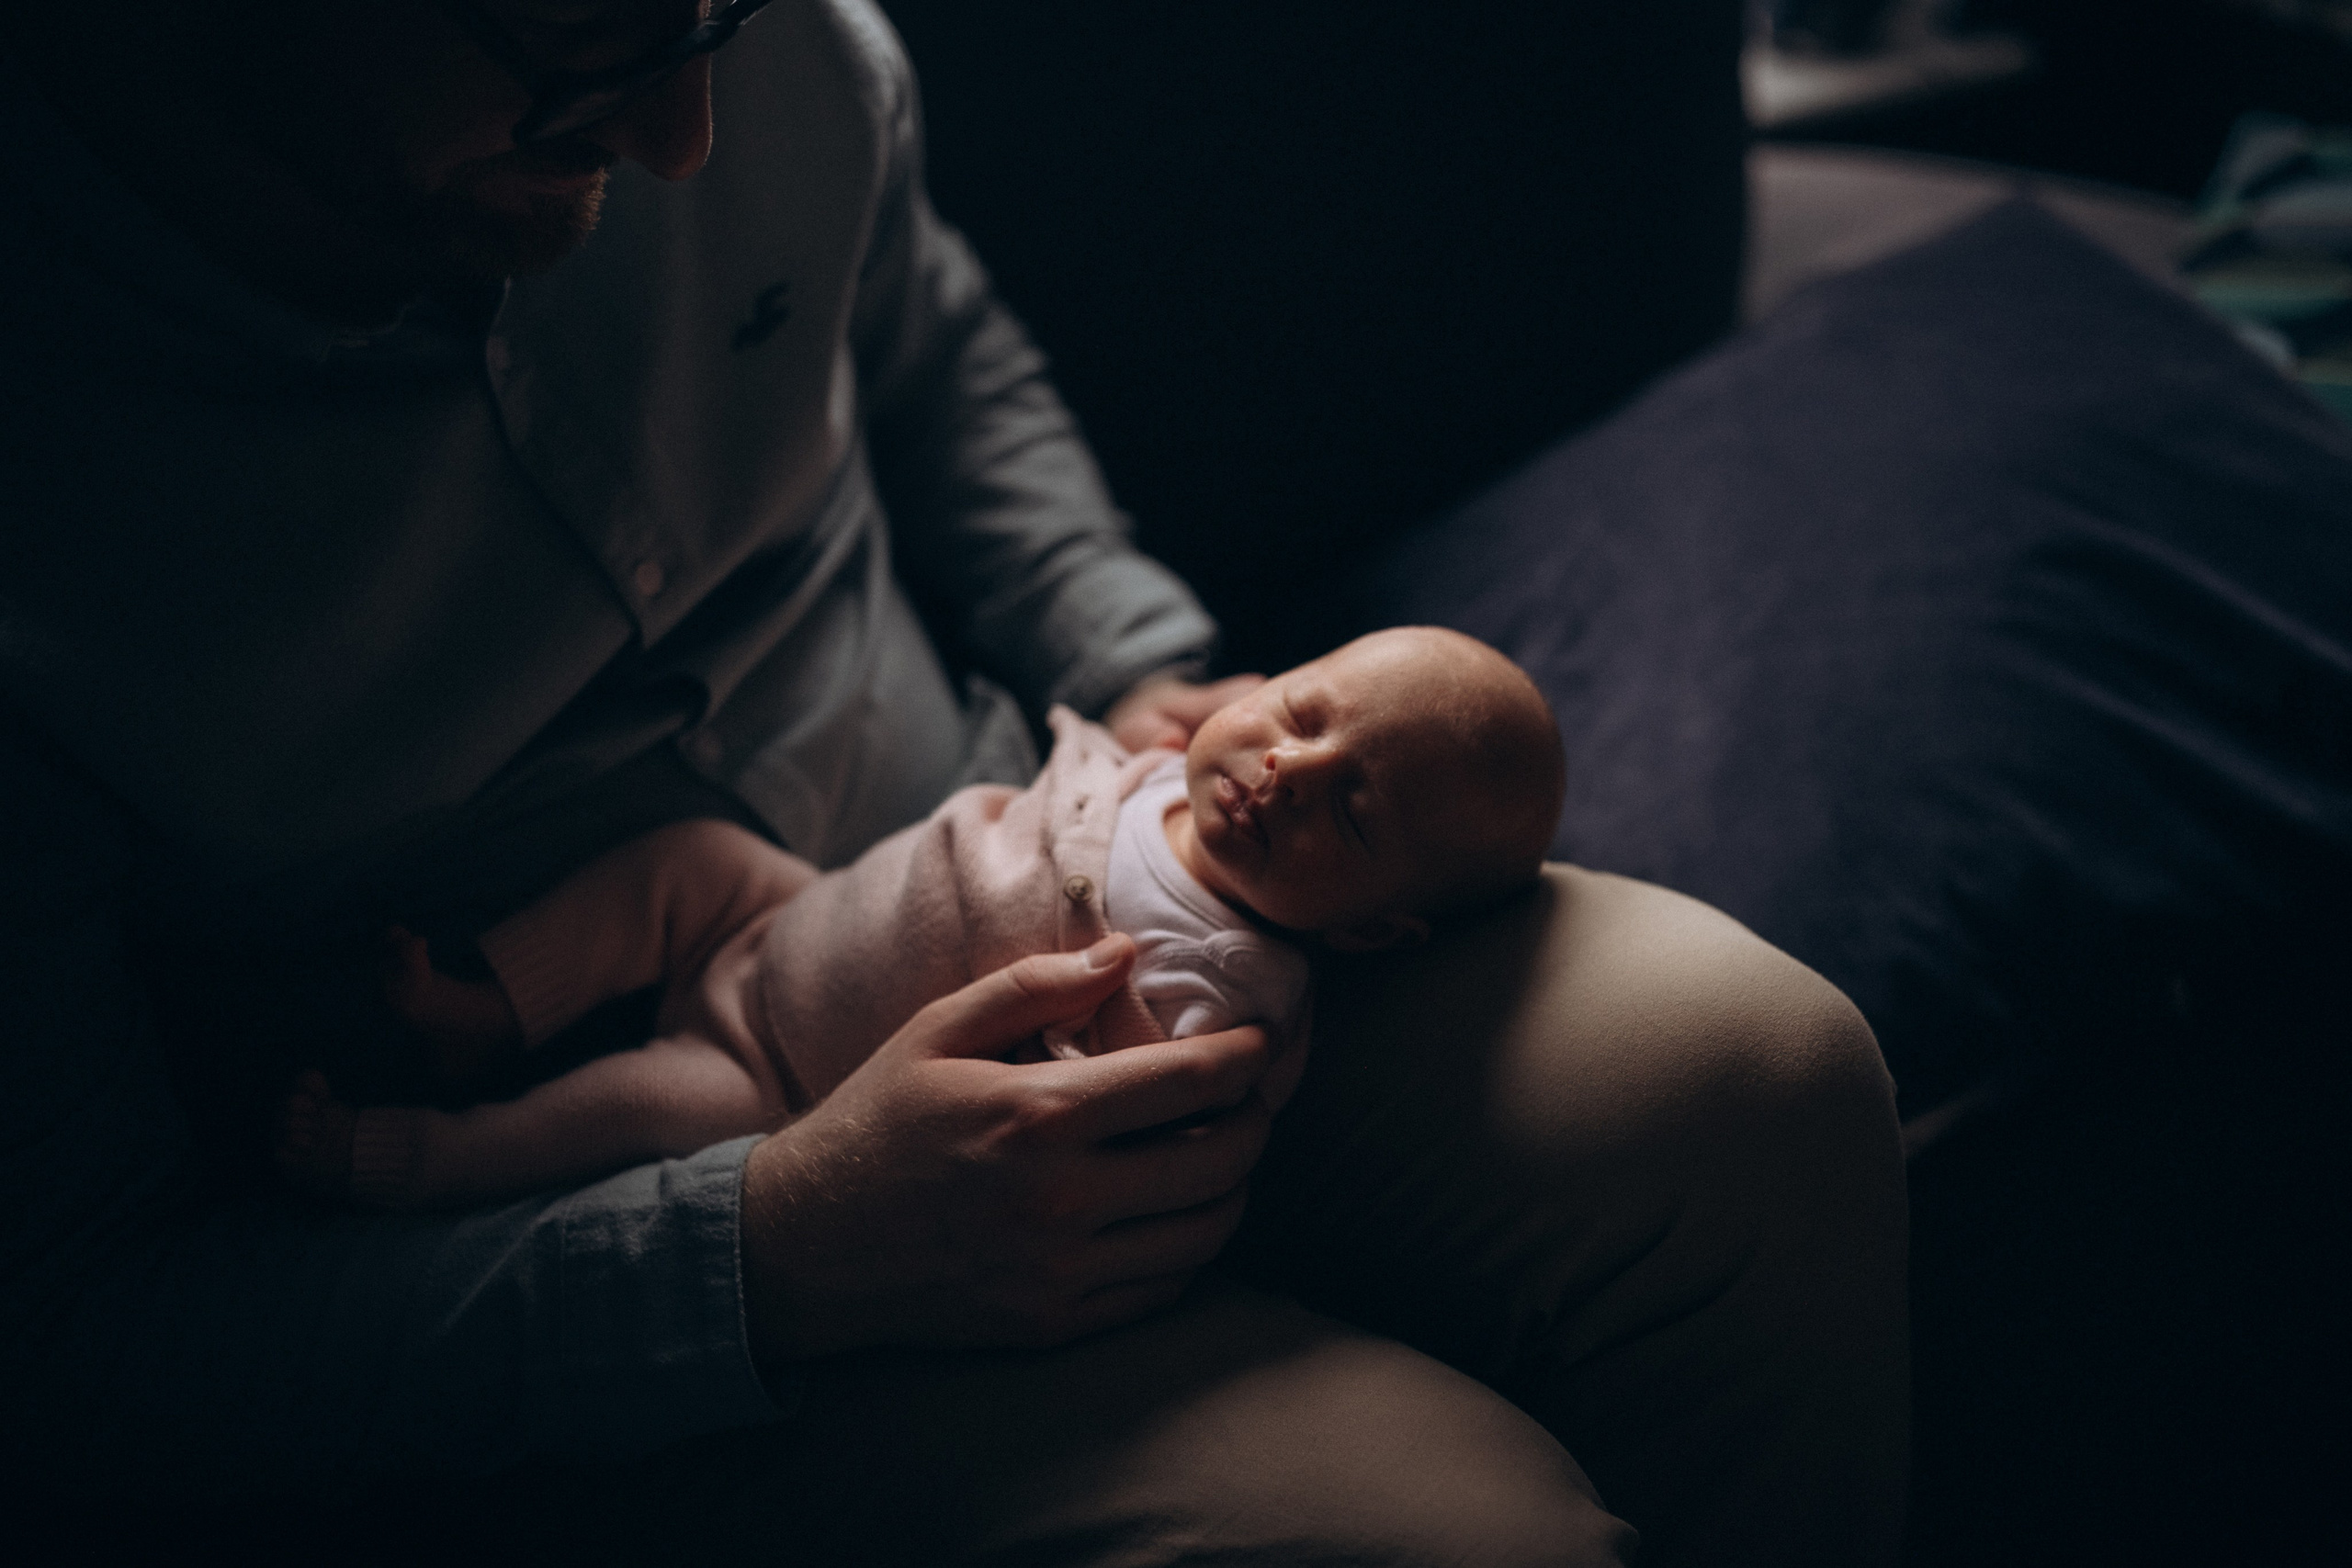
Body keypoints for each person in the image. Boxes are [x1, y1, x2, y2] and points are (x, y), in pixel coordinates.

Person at [0, 4, 1908, 1564]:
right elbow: (77, 1357)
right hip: (627, 1204)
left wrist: (1128, 656)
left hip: (1048, 855)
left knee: (1750, 1070)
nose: (684, 136)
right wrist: (760, 1256)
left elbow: (927, 348)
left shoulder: (753, 58)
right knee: (1442, 1536)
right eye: (576, 47)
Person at [275, 626, 1566, 1212]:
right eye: (1301, 710)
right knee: (684, 859)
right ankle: (489, 1008)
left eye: (1350, 813)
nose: (1285, 769)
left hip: (786, 1082)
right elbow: (1103, 749)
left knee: (620, 1117)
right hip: (792, 910)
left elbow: (1110, 1123)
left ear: (1370, 932)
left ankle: (417, 1154)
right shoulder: (1168, 769)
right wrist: (1120, 718)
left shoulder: (1217, 988)